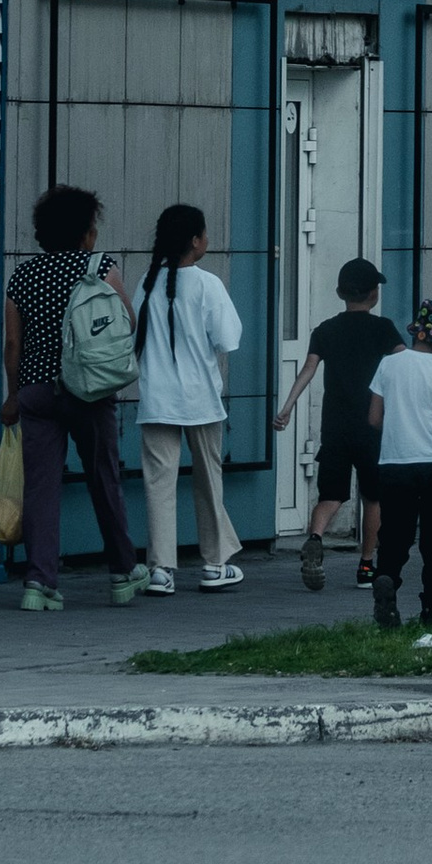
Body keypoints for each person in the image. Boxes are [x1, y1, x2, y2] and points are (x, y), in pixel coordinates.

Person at [1, 182, 142, 611]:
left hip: (36, 393)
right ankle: (122, 572)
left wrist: (12, 397)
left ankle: (39, 583)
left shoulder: (22, 276)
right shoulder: (99, 267)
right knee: (104, 480)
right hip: (89, 390)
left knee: (41, 488)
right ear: (85, 231)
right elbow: (127, 324)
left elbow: (12, 346)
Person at [275, 256, 405, 593]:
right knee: (373, 498)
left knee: (331, 494)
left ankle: (315, 538)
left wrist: (286, 408)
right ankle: (365, 568)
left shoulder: (326, 330)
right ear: (374, 294)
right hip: (374, 426)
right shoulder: (384, 328)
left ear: (339, 292)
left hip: (335, 426)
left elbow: (308, 370)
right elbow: (405, 364)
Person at [134, 202, 244, 595]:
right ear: (196, 240)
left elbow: (136, 341)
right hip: (200, 398)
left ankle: (161, 569)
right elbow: (228, 339)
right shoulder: (208, 284)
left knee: (159, 484)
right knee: (207, 480)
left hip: (156, 398)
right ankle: (215, 564)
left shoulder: (146, 284)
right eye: (205, 234)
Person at [367, 297, 432, 633]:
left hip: (394, 464)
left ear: (417, 332)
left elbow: (374, 418)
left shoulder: (388, 364)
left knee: (394, 534)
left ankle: (386, 578)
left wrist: (401, 429)